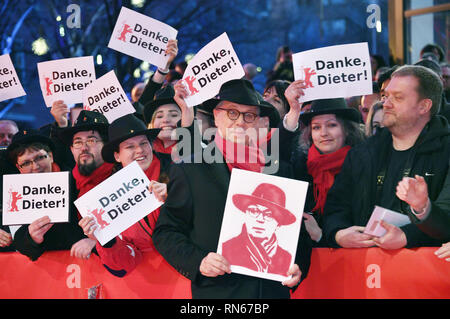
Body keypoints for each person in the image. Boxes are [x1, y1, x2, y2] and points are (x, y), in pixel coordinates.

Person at [153, 79, 312, 299]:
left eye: (249, 115)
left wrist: (299, 266)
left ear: (258, 121)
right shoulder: (191, 169)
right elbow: (166, 232)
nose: (240, 122)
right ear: (216, 116)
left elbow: (298, 236)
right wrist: (199, 261)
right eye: (232, 113)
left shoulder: (278, 169)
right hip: (219, 294)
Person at [322, 65, 450, 249]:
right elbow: (336, 207)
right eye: (385, 96)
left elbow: (446, 221)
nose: (386, 103)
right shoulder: (362, 152)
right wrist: (339, 233)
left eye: (397, 97)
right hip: (363, 269)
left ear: (424, 106)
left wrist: (419, 215)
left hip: (426, 271)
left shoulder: (445, 151)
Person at [79, 114, 168, 277]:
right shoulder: (107, 196)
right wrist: (105, 239)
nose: (140, 150)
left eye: (143, 143)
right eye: (130, 147)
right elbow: (125, 264)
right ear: (117, 156)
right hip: (154, 283)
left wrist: (175, 197)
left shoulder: (177, 171)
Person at [290, 98, 365, 246]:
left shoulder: (364, 167)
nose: (323, 133)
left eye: (331, 125)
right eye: (316, 127)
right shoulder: (300, 168)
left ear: (347, 129)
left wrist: (320, 236)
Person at [5, 129, 86, 261]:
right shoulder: (14, 193)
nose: (35, 166)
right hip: (49, 272)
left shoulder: (77, 182)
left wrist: (93, 242)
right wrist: (31, 238)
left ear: (51, 156)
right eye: (26, 163)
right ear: (19, 168)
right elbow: (20, 243)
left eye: (40, 157)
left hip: (86, 264)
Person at [222, 183, 297, 276]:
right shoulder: (225, 248)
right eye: (254, 211)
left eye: (269, 214)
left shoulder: (287, 258)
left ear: (279, 224)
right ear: (245, 214)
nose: (260, 219)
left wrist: (295, 277)